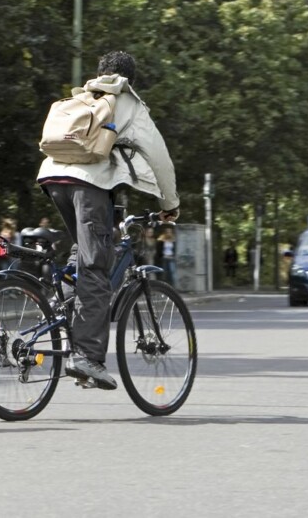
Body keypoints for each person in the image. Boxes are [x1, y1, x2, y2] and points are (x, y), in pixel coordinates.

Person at [37, 51, 180, 390]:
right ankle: (86, 356)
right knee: (97, 268)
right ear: (130, 79)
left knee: (86, 252)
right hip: (89, 186)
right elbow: (159, 159)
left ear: (100, 73)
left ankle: (65, 304)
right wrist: (169, 203)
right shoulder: (128, 103)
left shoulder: (82, 96)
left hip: (52, 180)